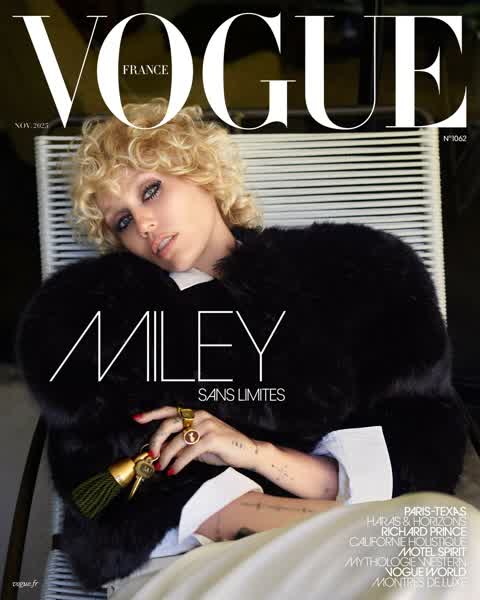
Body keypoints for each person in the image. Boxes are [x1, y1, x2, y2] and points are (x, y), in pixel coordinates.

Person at [16, 98, 472, 596]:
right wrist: (349, 527)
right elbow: (102, 487)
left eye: (151, 190)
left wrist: (256, 453)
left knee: (448, 535)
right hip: (184, 566)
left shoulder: (356, 269)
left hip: (341, 553)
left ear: (200, 170)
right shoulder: (103, 314)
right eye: (122, 221)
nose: (143, 225)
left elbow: (420, 444)